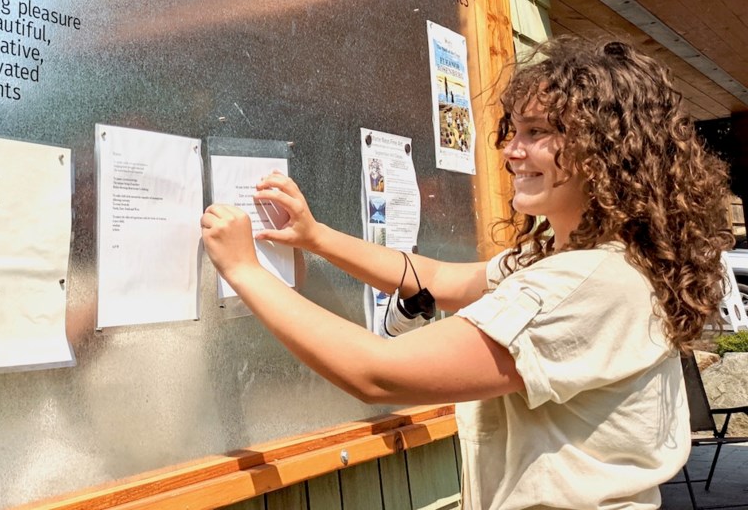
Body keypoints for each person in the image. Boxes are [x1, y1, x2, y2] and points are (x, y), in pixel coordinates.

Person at [200, 37, 733, 509]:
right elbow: (438, 279)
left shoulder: (586, 281)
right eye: (513, 129)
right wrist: (316, 238)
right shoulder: (575, 257)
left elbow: (377, 372)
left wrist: (245, 271)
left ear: (608, 151)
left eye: (536, 131)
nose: (510, 150)